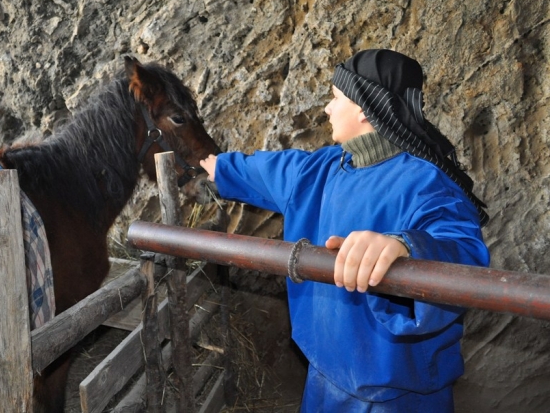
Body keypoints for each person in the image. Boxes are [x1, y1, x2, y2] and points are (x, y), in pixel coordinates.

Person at [200, 49, 490, 412]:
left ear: (364, 109)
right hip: (324, 381)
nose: (326, 108)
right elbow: (272, 170)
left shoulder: (427, 183)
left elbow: (461, 247)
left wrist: (404, 246)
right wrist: (221, 168)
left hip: (398, 398)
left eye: (335, 98)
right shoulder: (322, 168)